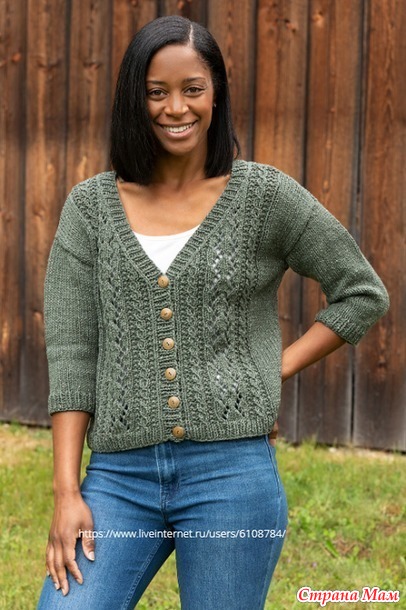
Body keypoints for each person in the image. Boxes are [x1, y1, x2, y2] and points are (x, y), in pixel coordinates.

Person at [36, 15, 389, 610]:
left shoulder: (263, 196)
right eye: (157, 91)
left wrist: (270, 369)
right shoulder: (90, 208)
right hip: (119, 480)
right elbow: (72, 356)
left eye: (192, 89)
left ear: (216, 93)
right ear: (135, 99)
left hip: (232, 476)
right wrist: (67, 492)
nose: (176, 107)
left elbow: (361, 291)